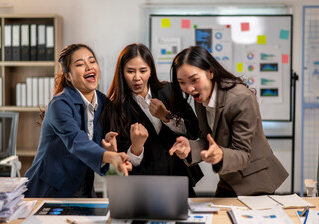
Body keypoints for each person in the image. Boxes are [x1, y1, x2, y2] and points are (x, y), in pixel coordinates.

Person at [169, 45, 288, 197]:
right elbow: (208, 141)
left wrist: (221, 155)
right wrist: (189, 148)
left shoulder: (240, 99)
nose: (189, 88)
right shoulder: (202, 98)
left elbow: (243, 154)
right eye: (182, 82)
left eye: (194, 80)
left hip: (256, 181)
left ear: (210, 72)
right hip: (230, 178)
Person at [24, 44, 132, 198]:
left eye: (92, 61)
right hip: (49, 190)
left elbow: (100, 153)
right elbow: (76, 141)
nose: (89, 67)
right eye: (80, 64)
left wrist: (110, 151)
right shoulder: (59, 104)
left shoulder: (104, 103)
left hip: (84, 189)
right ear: (68, 76)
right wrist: (110, 156)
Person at [101, 43, 203, 197]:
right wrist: (136, 147)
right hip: (143, 188)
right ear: (121, 72)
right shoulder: (114, 108)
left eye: (143, 71)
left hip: (179, 181)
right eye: (130, 71)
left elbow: (194, 130)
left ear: (151, 71)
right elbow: (122, 163)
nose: (137, 77)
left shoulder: (169, 90)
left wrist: (166, 117)